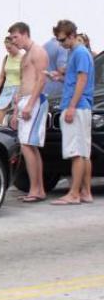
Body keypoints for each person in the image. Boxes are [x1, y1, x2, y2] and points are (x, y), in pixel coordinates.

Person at [51, 20, 95, 206]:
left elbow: (82, 81)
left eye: (62, 40)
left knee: (76, 152)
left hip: (77, 107)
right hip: (80, 106)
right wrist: (59, 78)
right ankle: (85, 192)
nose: (61, 44)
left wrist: (71, 106)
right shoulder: (76, 53)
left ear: (71, 35)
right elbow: (73, 80)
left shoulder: (79, 53)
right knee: (83, 152)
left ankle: (74, 193)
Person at [8, 21, 49, 203]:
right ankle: (38, 189)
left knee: (27, 145)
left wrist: (31, 104)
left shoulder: (38, 52)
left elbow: (41, 80)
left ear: (24, 34)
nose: (14, 41)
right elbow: (23, 82)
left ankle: (36, 189)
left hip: (35, 100)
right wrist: (17, 109)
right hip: (24, 100)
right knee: (29, 146)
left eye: (15, 37)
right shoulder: (25, 56)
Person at [0, 36, 22, 124]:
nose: (8, 50)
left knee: (16, 120)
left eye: (9, 48)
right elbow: (1, 76)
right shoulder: (6, 58)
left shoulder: (23, 58)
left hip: (19, 89)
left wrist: (20, 94)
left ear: (16, 45)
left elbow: (24, 78)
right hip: (6, 90)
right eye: (6, 48)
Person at [42, 27, 69, 98]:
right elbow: (61, 68)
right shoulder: (62, 47)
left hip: (43, 87)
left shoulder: (44, 45)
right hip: (57, 90)